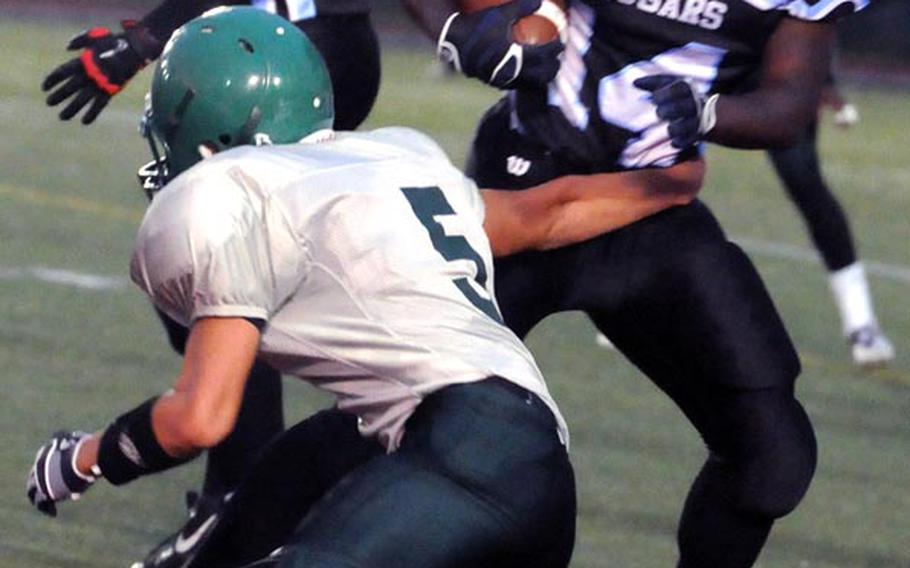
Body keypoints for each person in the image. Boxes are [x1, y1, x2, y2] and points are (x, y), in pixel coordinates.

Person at [26, 8, 703, 567]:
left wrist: (83, 458)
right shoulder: (394, 156)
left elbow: (200, 418)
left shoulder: (223, 193)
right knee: (277, 485)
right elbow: (543, 214)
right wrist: (675, 176)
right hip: (531, 473)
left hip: (459, 459)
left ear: (212, 136)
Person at [402, 0, 870, 566]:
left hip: (648, 206)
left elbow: (789, 104)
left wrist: (708, 115)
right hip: (525, 187)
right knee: (399, 414)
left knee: (772, 455)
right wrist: (451, 28)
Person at [40, 0, 381, 555]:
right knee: (248, 255)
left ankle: (239, 493)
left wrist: (144, 40)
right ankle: (256, 484)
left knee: (211, 249)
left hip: (277, 50)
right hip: (323, 44)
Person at [766, 71, 893, 367]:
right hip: (698, 59)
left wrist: (823, 79)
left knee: (803, 179)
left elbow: (809, 25)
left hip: (768, 71)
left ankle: (861, 324)